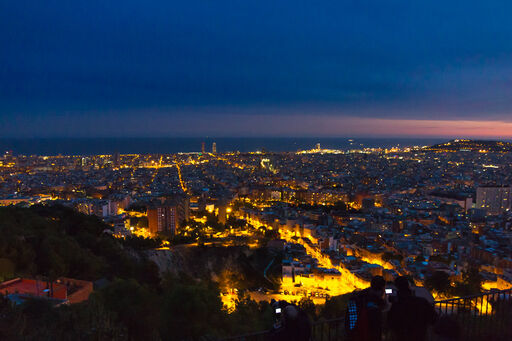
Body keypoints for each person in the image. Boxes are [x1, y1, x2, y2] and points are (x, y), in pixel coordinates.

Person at [388, 276, 437, 341]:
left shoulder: (397, 306)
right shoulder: (422, 302)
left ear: (397, 288)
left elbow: (390, 324)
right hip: (420, 336)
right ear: (409, 286)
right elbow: (433, 319)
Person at [345, 276, 387, 341]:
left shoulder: (357, 298)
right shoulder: (374, 305)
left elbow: (349, 323)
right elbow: (376, 331)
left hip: (355, 336)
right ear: (382, 289)